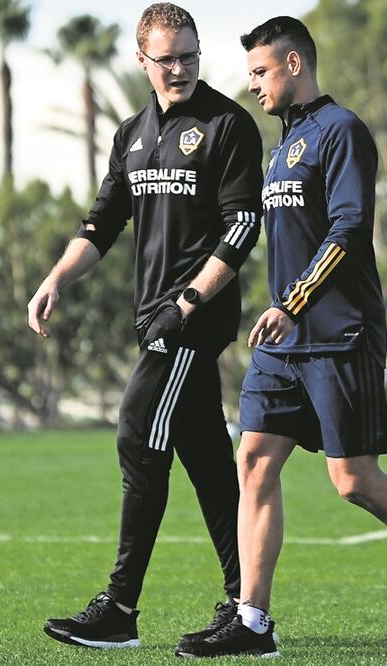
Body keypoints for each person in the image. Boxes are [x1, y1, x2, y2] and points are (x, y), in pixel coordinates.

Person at [177, 16, 387, 658]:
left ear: (294, 64)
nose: (253, 85)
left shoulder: (342, 131)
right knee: (253, 460)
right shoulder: (281, 147)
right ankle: (252, 622)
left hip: (338, 334)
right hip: (283, 340)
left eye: (261, 72)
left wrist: (295, 302)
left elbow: (349, 230)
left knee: (353, 480)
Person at [26, 2, 264, 652]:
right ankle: (246, 607)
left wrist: (185, 304)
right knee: (208, 461)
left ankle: (120, 608)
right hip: (151, 318)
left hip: (190, 320)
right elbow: (102, 222)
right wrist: (55, 279)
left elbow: (243, 226)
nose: (180, 69)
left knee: (137, 435)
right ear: (142, 60)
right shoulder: (131, 133)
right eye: (167, 59)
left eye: (190, 56)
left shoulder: (227, 125)